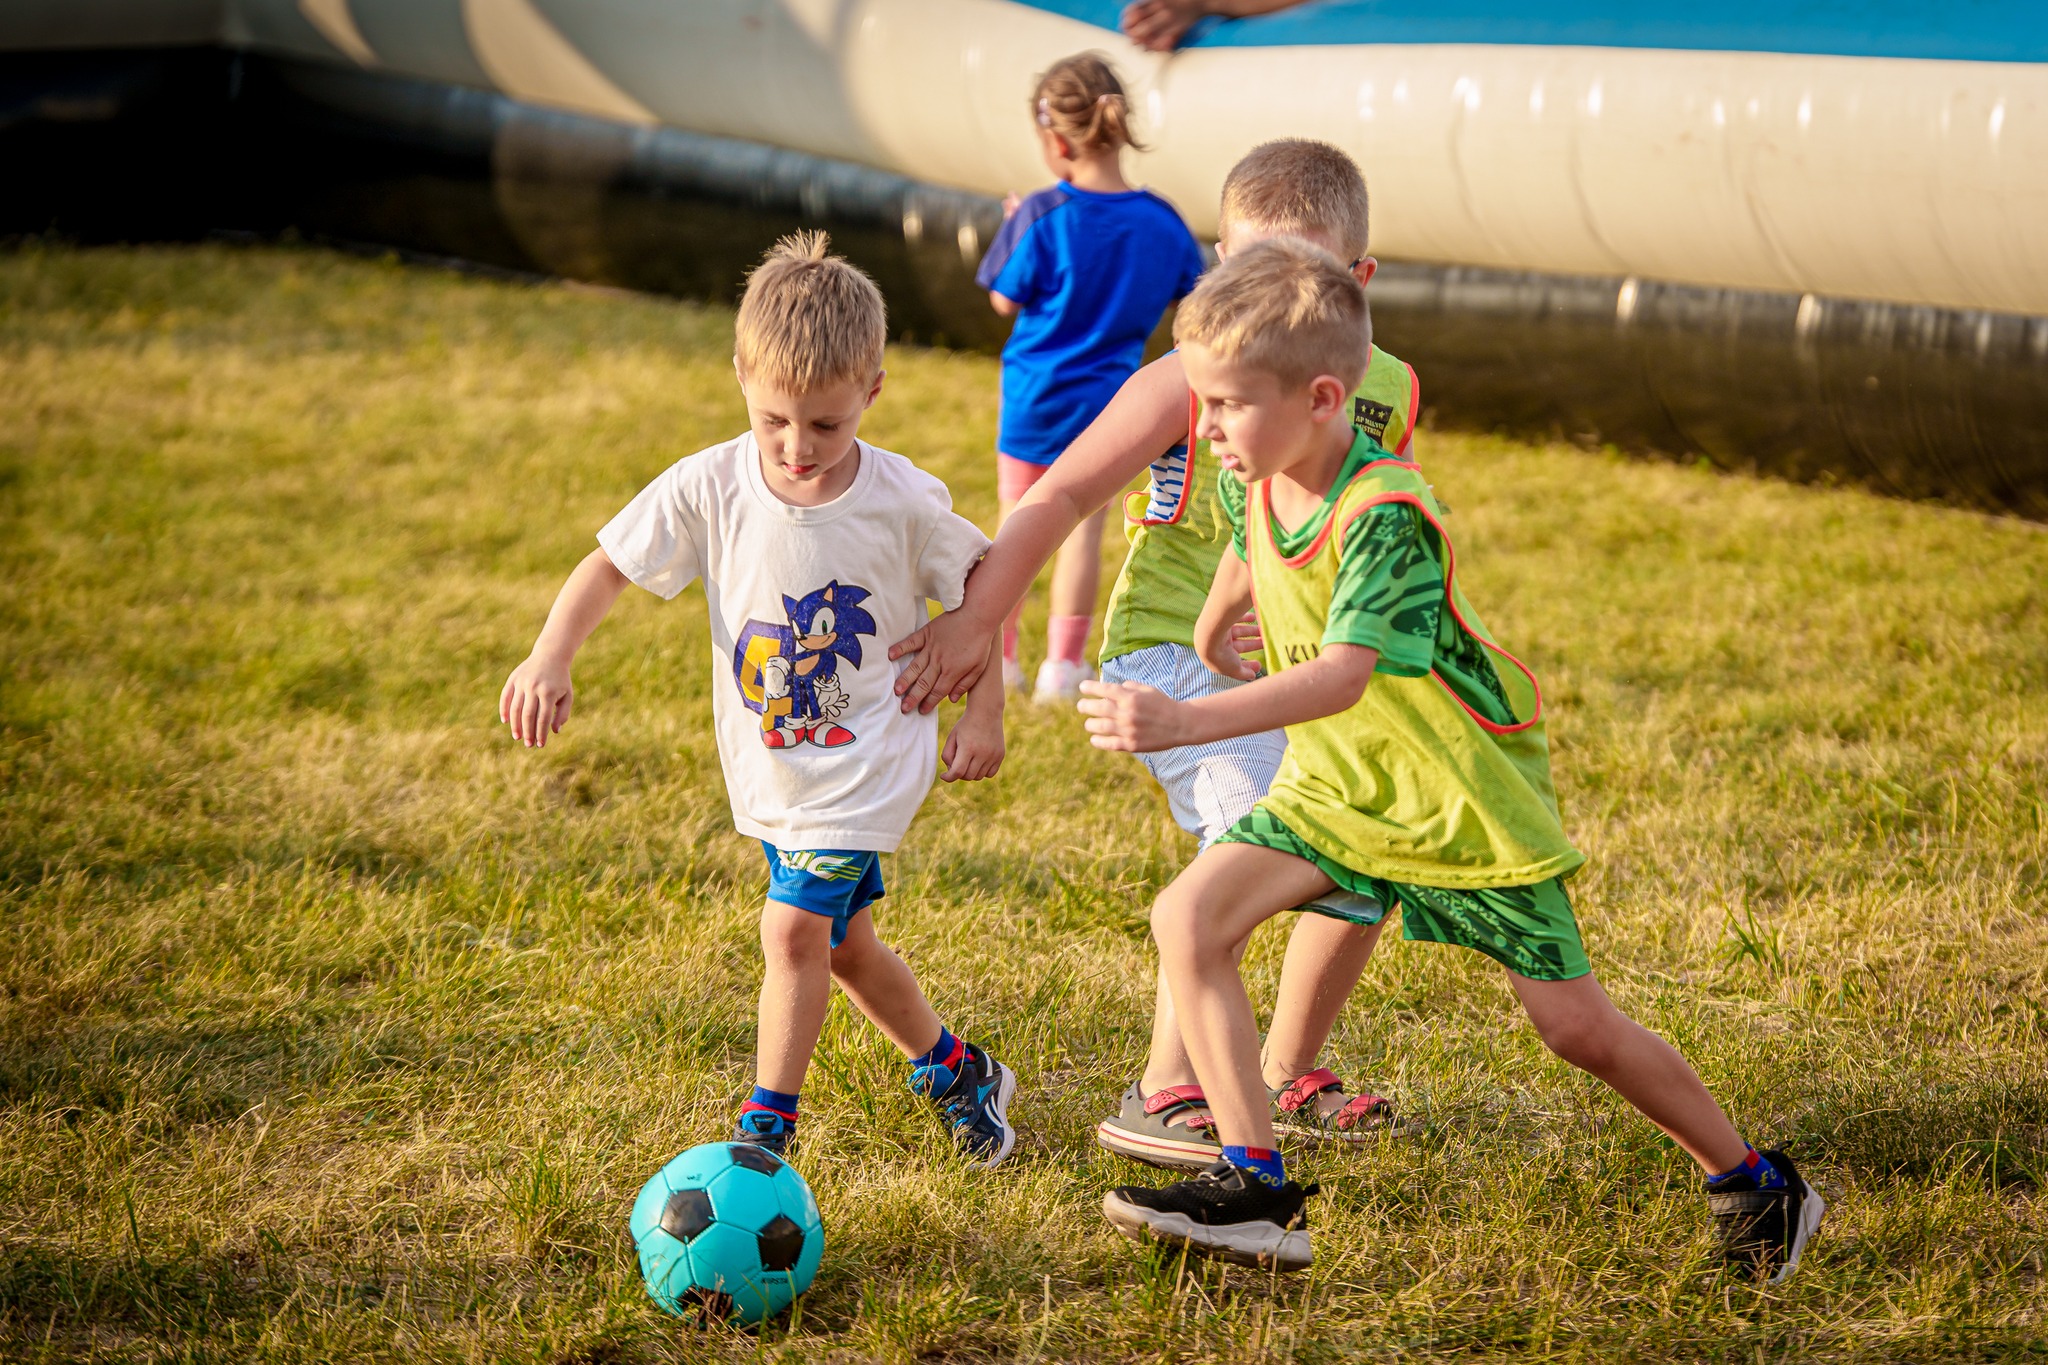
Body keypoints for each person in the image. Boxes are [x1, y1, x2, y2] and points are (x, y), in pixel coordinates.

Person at [1082, 238, 1825, 1280]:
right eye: (1200, 402)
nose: (1203, 429)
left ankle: (1754, 1181)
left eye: (1226, 406)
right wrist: (1212, 634)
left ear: (1322, 398)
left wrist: (1187, 716)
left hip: (1458, 801)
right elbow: (1249, 555)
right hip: (1340, 786)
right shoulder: (1262, 469)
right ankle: (1255, 1185)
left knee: (1573, 1028)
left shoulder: (1388, 514)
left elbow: (1342, 675)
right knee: (1187, 919)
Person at [895, 141, 1418, 1171]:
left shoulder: (1386, 389)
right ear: (1217, 266)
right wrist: (976, 623)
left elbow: (1366, 530)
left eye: (1305, 276)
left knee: (1372, 830)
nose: (1271, 303)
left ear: (1356, 283)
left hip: (1291, 663)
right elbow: (1058, 494)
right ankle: (1164, 1086)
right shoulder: (1186, 378)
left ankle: (1287, 1069)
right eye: (1251, 270)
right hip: (1165, 653)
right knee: (1254, 836)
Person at [498, 233, 1018, 1167]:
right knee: (845, 947)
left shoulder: (902, 499)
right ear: (741, 375)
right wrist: (550, 656)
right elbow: (608, 564)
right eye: (776, 418)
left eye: (826, 424)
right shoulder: (709, 484)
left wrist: (985, 712)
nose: (798, 445)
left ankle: (764, 1131)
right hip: (777, 767)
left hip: (866, 760)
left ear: (872, 391)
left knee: (791, 931)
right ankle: (956, 1069)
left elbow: (985, 592)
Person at [976, 52, 1206, 702]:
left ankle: (1002, 660)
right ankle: (1063, 667)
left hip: (1034, 402)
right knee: (1082, 531)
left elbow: (1003, 298)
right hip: (1111, 410)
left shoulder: (1040, 214)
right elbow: (1196, 304)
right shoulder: (1164, 221)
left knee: (1017, 524)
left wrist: (1012, 224)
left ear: (1056, 140)